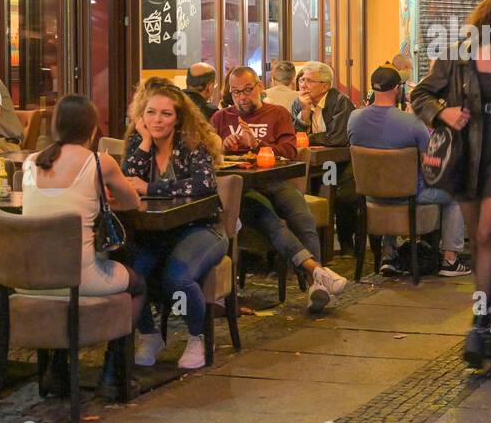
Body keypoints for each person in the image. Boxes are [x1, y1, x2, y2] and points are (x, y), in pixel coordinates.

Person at [411, 0, 491, 368]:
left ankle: (480, 319)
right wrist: (442, 112)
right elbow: (419, 94)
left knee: (486, 234)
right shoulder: (457, 55)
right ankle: (490, 321)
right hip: (467, 154)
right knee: (479, 238)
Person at [24, 95, 145, 396]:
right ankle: (114, 369)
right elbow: (133, 203)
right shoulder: (99, 162)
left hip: (28, 279)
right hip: (80, 278)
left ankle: (58, 364)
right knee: (138, 284)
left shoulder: (30, 162)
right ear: (92, 128)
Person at [211, 66, 349, 313]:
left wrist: (258, 144)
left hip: (275, 181)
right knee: (272, 223)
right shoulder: (221, 119)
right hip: (241, 190)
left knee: (302, 216)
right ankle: (316, 274)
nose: (242, 97)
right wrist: (223, 147)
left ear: (260, 87)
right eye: (235, 92)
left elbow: (290, 150)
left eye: (247, 90)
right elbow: (208, 156)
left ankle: (314, 288)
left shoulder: (277, 114)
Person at [121, 79, 228, 370]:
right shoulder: (137, 142)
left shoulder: (193, 143)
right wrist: (143, 143)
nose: (157, 119)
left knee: (177, 278)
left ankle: (198, 337)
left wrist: (151, 188)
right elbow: (127, 182)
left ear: (178, 118)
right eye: (151, 112)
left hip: (201, 228)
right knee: (131, 275)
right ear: (142, 115)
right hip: (155, 230)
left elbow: (204, 184)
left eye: (166, 114)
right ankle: (150, 335)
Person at [347, 65, 469, 277]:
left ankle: (388, 254)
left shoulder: (354, 119)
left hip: (370, 197)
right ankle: (450, 259)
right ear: (397, 89)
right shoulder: (412, 123)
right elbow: (431, 165)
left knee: (387, 182)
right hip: (409, 197)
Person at [292, 61, 358, 253]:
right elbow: (294, 137)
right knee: (304, 190)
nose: (303, 84)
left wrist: (309, 137)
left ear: (325, 86)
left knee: (339, 193)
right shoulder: (299, 103)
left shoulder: (340, 102)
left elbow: (337, 138)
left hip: (341, 162)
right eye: (301, 79)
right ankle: (314, 244)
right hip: (314, 162)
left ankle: (345, 242)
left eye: (309, 80)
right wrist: (304, 114)